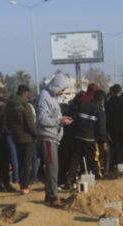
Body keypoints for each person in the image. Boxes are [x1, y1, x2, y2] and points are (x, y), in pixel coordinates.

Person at [36, 73, 72, 206]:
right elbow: (42, 119)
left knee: (53, 167)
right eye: (61, 89)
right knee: (52, 167)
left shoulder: (51, 97)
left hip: (52, 137)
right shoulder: (44, 97)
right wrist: (60, 120)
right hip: (47, 137)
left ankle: (49, 195)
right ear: (56, 86)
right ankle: (52, 197)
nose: (62, 92)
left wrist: (61, 121)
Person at [65, 90, 108, 185]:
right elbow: (101, 129)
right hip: (90, 139)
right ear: (102, 100)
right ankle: (96, 178)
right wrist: (103, 141)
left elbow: (74, 120)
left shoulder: (83, 105)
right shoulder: (99, 111)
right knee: (93, 159)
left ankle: (69, 180)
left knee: (75, 159)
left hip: (78, 137)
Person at [5, 84, 36, 195]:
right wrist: (36, 135)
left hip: (16, 138)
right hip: (28, 139)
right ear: (25, 93)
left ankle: (22, 185)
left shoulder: (9, 107)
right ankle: (25, 187)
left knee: (20, 162)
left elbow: (7, 123)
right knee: (27, 164)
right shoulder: (25, 106)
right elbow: (30, 125)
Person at [105, 84, 123, 170]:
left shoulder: (109, 102)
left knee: (116, 146)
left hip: (114, 128)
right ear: (120, 90)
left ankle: (118, 163)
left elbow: (108, 117)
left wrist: (109, 128)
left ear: (113, 92)